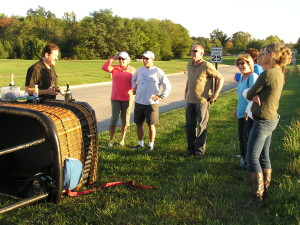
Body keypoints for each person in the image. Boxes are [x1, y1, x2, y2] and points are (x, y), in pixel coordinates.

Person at [243, 43, 292, 206]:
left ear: (272, 55)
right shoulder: (278, 72)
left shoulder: (267, 74)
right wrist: (255, 94)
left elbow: (249, 93)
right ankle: (265, 191)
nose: (260, 56)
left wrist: (254, 94)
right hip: (271, 119)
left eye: (263, 53)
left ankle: (257, 197)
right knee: (264, 156)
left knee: (252, 158)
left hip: (263, 121)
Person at [184, 44, 224, 158]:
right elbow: (189, 79)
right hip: (190, 100)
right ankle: (190, 149)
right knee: (189, 126)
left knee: (202, 126)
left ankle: (199, 151)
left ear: (201, 53)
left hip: (202, 101)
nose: (193, 53)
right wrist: (186, 91)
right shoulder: (189, 64)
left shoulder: (206, 65)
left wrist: (215, 94)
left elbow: (220, 78)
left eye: (195, 51)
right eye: (192, 51)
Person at [131, 51, 172, 152]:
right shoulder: (139, 71)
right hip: (139, 102)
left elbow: (167, 85)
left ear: (152, 59)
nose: (145, 61)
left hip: (151, 103)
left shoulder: (158, 71)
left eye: (147, 59)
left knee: (151, 125)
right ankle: (140, 144)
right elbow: (133, 79)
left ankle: (150, 145)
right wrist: (134, 87)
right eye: (143, 58)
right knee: (139, 124)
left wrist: (161, 96)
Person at [102, 52, 136, 147]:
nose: (121, 61)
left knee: (125, 120)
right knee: (114, 120)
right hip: (115, 98)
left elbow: (137, 82)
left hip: (127, 98)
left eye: (123, 59)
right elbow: (104, 67)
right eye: (120, 59)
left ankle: (122, 139)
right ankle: (111, 139)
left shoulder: (132, 70)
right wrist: (113, 58)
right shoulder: (114, 68)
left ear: (128, 60)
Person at [235, 54, 258, 168]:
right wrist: (237, 109)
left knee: (246, 136)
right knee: (241, 136)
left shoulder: (252, 76)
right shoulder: (242, 77)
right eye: (238, 63)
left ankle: (248, 160)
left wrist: (248, 111)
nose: (240, 65)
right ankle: (243, 155)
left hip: (248, 113)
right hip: (240, 112)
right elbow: (240, 95)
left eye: (243, 63)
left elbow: (254, 95)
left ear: (249, 64)